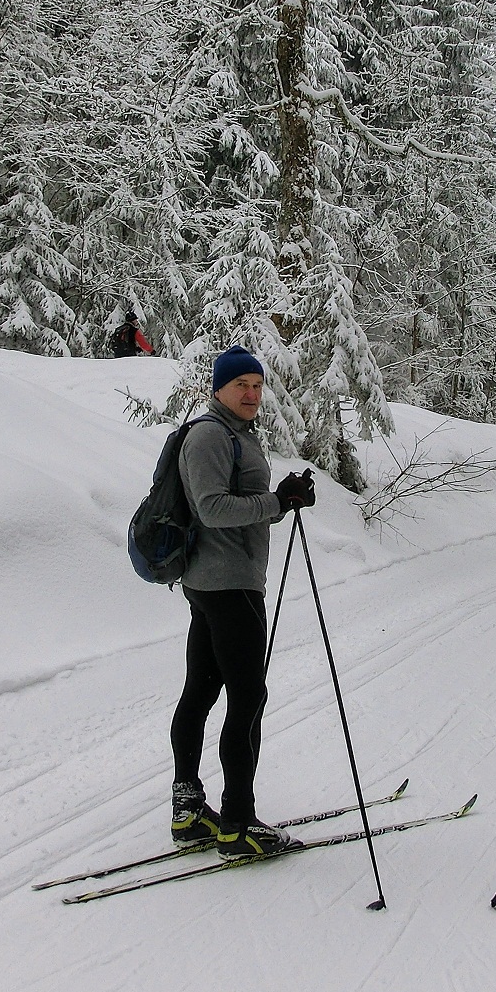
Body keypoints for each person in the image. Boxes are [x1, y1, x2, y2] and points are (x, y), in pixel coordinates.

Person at [169, 345, 317, 857]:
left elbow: (238, 508)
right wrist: (275, 502)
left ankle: (188, 812)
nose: (252, 394)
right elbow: (212, 508)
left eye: (257, 386)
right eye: (241, 386)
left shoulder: (234, 435)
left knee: (203, 692)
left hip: (218, 582)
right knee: (247, 697)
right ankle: (237, 822)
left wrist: (283, 499)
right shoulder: (211, 434)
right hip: (228, 586)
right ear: (219, 389)